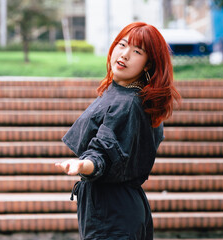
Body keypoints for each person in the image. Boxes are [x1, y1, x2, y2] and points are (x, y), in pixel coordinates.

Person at [55, 22, 181, 240]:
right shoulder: (134, 95)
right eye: (122, 45)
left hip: (112, 213)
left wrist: (83, 165)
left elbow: (105, 153)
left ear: (148, 64)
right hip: (120, 209)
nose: (124, 55)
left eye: (137, 52)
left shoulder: (128, 103)